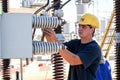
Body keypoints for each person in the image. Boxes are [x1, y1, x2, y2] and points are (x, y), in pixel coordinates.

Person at [42, 13, 102, 80]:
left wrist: (55, 40)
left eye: (84, 27)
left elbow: (74, 60)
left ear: (92, 30)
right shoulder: (75, 43)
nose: (80, 29)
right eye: (79, 26)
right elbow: (54, 46)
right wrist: (45, 28)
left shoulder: (94, 48)